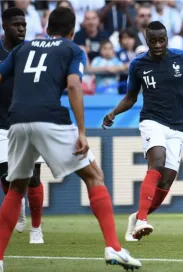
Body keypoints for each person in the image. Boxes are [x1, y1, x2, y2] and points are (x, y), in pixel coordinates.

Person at [0, 7, 141, 271]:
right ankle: (114, 247)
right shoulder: (73, 49)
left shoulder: (22, 48)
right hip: (49, 118)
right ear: (72, 31)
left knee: (17, 188)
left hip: (15, 121)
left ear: (46, 28)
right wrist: (82, 132)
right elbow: (75, 85)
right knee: (94, 176)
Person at [102, 21, 183, 242]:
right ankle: (144, 220)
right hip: (152, 120)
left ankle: (137, 218)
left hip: (178, 125)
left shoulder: (182, 58)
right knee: (157, 161)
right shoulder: (138, 64)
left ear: (167, 38)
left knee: (166, 182)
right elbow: (131, 97)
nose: (157, 44)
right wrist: (113, 113)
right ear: (146, 41)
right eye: (153, 41)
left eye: (161, 40)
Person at [0, 7, 45, 245]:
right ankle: (18, 205)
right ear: (4, 26)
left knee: (34, 177)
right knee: (7, 176)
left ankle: (36, 229)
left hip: (29, 120)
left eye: (24, 25)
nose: (21, 28)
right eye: (16, 24)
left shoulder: (32, 51)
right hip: (1, 122)